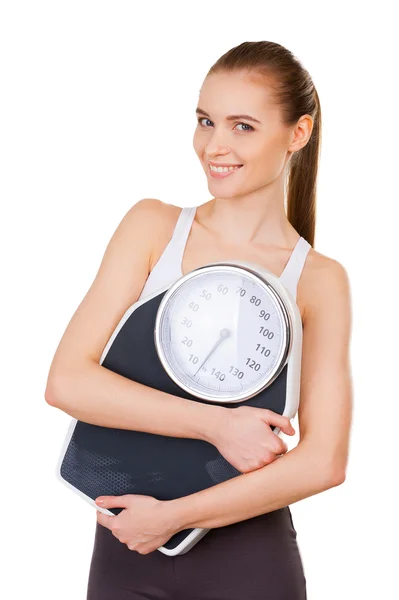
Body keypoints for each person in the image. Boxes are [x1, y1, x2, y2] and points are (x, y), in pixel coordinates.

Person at [45, 40, 353, 599]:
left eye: (242, 126)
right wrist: (215, 424)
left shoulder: (318, 279)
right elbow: (67, 381)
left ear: (298, 134)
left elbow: (324, 461)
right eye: (206, 121)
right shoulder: (153, 228)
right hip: (125, 545)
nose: (214, 145)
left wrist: (172, 517)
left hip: (247, 560)